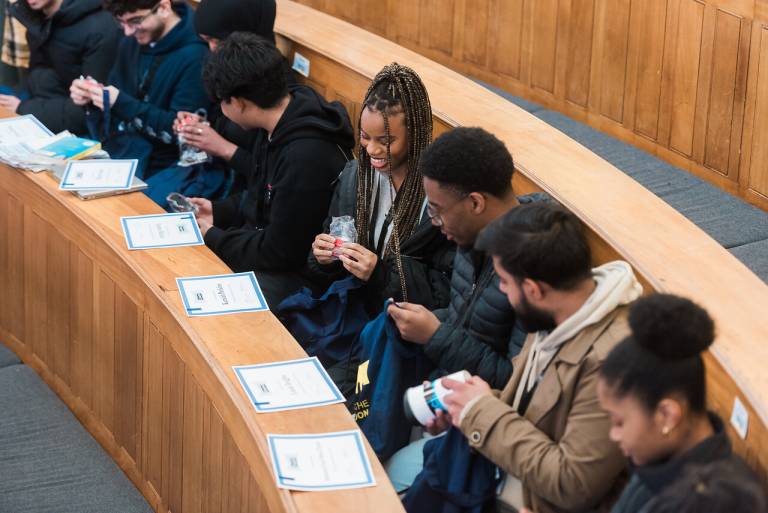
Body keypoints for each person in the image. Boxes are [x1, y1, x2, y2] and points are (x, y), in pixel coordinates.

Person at [426, 202, 643, 513]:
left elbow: (572, 483)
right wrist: (465, 410)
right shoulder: (555, 314)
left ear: (533, 289)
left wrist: (481, 412)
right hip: (499, 475)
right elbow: (529, 410)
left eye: (504, 281)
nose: (502, 290)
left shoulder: (612, 362)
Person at [383, 127, 532, 492]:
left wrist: (435, 333)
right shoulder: (470, 234)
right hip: (447, 390)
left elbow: (513, 381)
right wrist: (424, 320)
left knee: (393, 474)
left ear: (476, 203)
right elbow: (467, 316)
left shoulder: (531, 266)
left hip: (490, 415)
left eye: (436, 211)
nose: (435, 223)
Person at [190, 32, 354, 306]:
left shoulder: (305, 156)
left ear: (240, 102)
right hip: (269, 251)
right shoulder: (277, 122)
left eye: (222, 101)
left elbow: (282, 252)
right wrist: (218, 211)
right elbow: (261, 197)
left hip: (299, 277)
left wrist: (213, 237)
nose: (220, 109)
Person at [304, 62, 454, 314]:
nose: (372, 150)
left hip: (403, 330)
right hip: (352, 314)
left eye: (385, 141)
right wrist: (323, 259)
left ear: (415, 133)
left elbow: (447, 294)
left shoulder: (440, 198)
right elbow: (319, 269)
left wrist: (381, 275)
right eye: (365, 137)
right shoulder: (355, 177)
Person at [597, 294, 764, 513]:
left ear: (667, 415)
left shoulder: (712, 503)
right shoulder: (657, 462)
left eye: (619, 422)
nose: (614, 435)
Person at [69, 0, 212, 202]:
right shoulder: (133, 40)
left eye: (135, 21)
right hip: (124, 149)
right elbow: (118, 93)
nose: (127, 31)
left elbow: (182, 134)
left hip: (166, 165)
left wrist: (119, 103)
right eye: (121, 23)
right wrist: (92, 97)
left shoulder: (196, 55)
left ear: (163, 8)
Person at [172, 0, 277, 201]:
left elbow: (273, 175)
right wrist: (199, 128)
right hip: (220, 187)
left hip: (247, 203)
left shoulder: (272, 87)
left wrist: (222, 147)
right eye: (206, 41)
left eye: (216, 40)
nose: (212, 49)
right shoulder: (230, 71)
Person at [2, 0, 119, 134]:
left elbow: (92, 109)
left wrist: (24, 109)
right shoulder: (35, 16)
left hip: (81, 122)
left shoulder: (100, 28)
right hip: (41, 101)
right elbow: (39, 74)